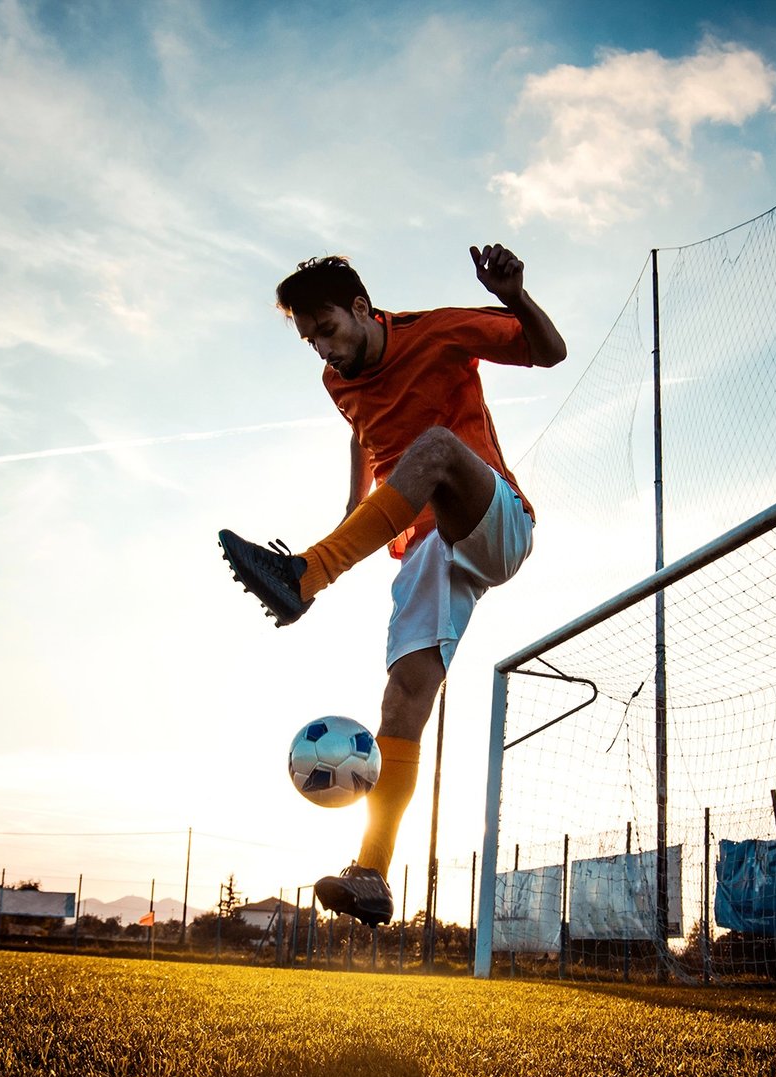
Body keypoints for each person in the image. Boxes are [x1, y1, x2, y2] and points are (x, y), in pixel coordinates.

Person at [219, 245, 566, 926]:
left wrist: (516, 294)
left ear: (360, 309)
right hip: (427, 546)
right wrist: (352, 514)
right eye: (309, 339)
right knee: (402, 702)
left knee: (434, 447)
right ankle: (372, 872)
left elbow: (548, 351)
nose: (322, 349)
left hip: (493, 520)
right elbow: (364, 432)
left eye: (328, 329)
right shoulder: (336, 380)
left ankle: (306, 577)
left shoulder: (436, 331)